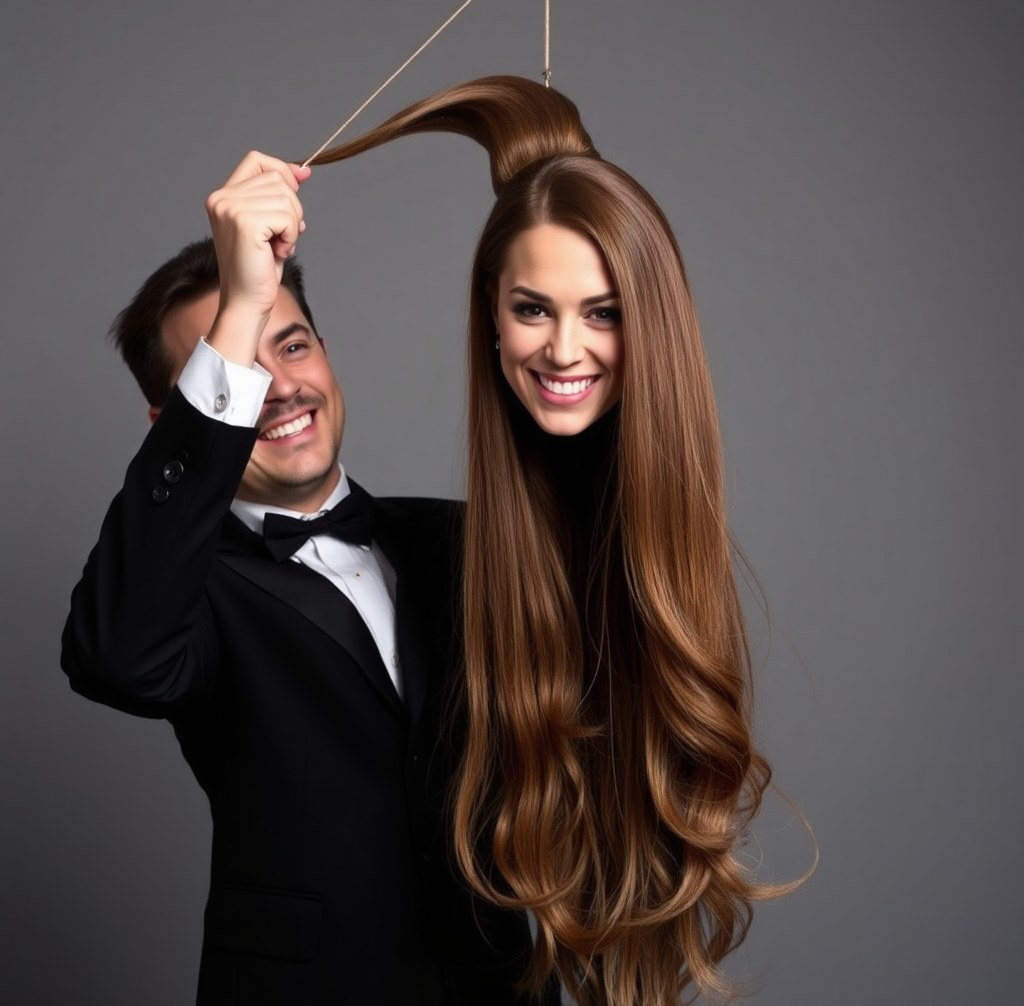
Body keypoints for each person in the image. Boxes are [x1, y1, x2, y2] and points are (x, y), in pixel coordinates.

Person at [309, 76, 804, 1006]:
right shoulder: (430, 551)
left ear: (650, 321)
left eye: (603, 312)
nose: (563, 350)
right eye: (532, 309)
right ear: (490, 322)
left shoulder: (656, 552)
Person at [60, 152, 550, 1005]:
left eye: (291, 344)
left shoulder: (465, 538)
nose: (281, 387)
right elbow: (113, 657)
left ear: (326, 350)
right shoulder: (184, 591)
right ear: (175, 418)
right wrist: (243, 300)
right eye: (244, 368)